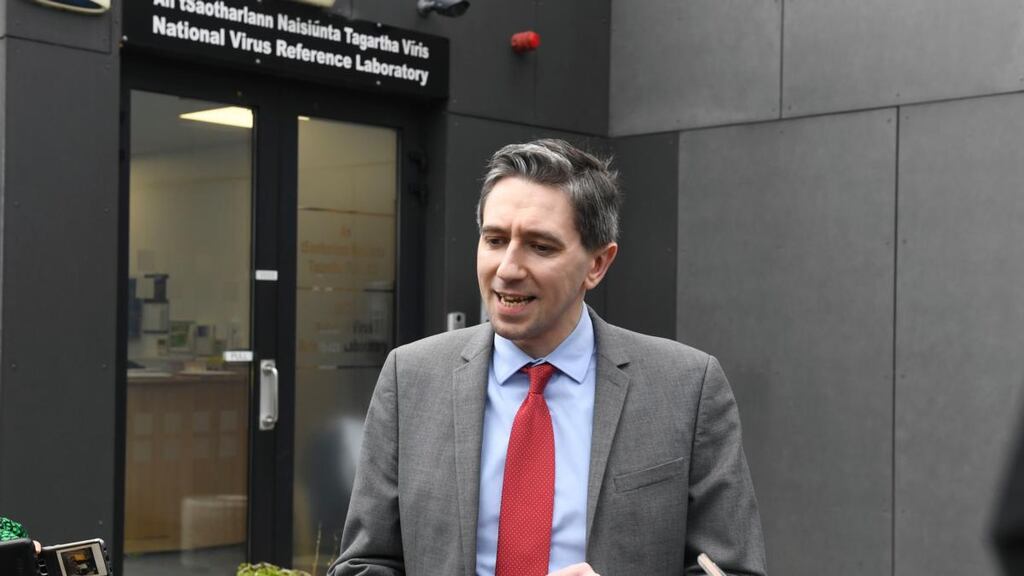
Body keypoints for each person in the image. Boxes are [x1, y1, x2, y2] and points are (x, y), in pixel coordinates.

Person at [330, 139, 767, 576]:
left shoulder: (687, 388)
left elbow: (732, 569)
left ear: (597, 263)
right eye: (495, 240)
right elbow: (367, 562)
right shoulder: (410, 377)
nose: (507, 269)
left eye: (540, 247)